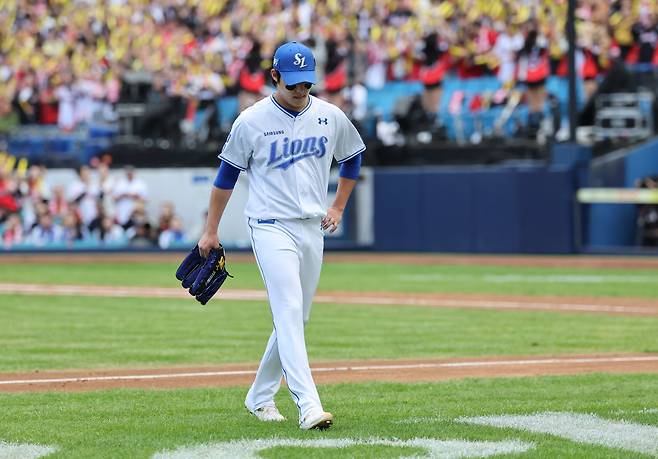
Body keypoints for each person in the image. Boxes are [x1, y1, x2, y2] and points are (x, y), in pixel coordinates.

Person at [197, 41, 365, 431]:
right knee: (288, 310)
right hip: (270, 226)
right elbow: (226, 177)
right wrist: (211, 229)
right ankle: (309, 405)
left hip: (313, 227)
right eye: (293, 84)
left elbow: (353, 156)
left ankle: (258, 396)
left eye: (306, 83)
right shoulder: (251, 120)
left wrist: (338, 206)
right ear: (274, 77)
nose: (301, 91)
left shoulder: (329, 115)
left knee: (298, 318)